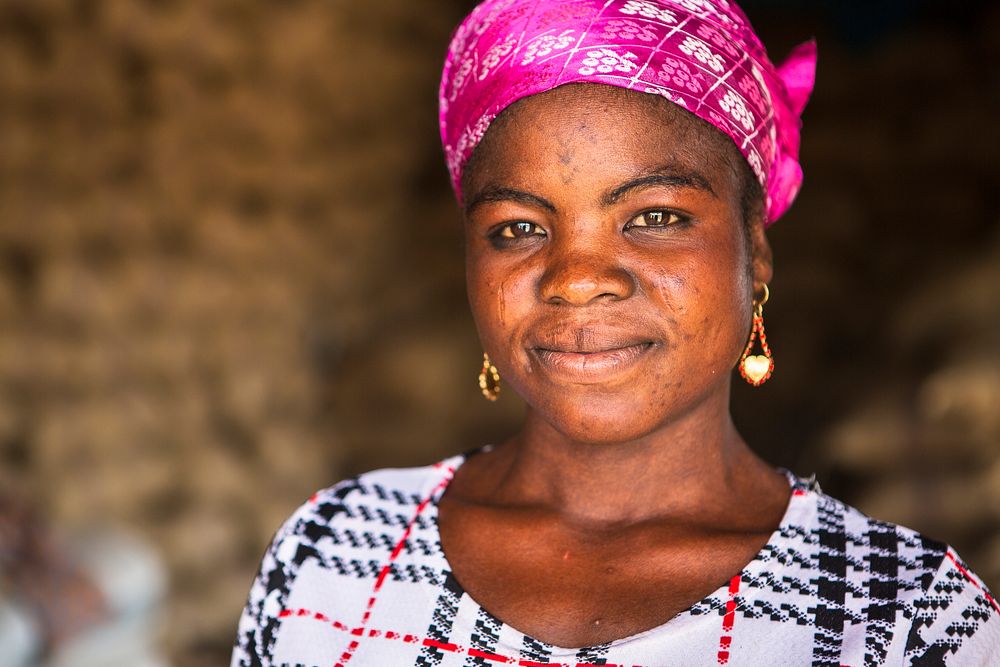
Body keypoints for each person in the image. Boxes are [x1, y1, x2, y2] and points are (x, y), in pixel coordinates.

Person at [232, 1, 1000, 665]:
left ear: (754, 248)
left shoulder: (904, 617)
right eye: (518, 227)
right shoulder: (329, 554)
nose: (576, 276)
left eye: (656, 217)